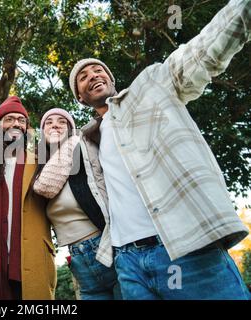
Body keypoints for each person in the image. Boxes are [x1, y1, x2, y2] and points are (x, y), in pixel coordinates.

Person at [68, 0, 250, 299]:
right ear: (79, 96)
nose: (93, 75)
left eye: (98, 70)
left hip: (185, 249)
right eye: (84, 76)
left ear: (111, 79)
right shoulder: (87, 140)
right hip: (128, 263)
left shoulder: (151, 87)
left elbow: (200, 53)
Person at [33, 108, 122, 300]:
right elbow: (44, 187)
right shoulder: (39, 166)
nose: (55, 124)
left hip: (104, 245)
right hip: (77, 258)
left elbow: (45, 187)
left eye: (62, 121)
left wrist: (74, 140)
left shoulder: (84, 151)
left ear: (71, 130)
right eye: (48, 122)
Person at [0, 96, 56, 300]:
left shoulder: (41, 162)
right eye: (9, 119)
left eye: (21, 120)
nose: (16, 123)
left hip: (31, 256)